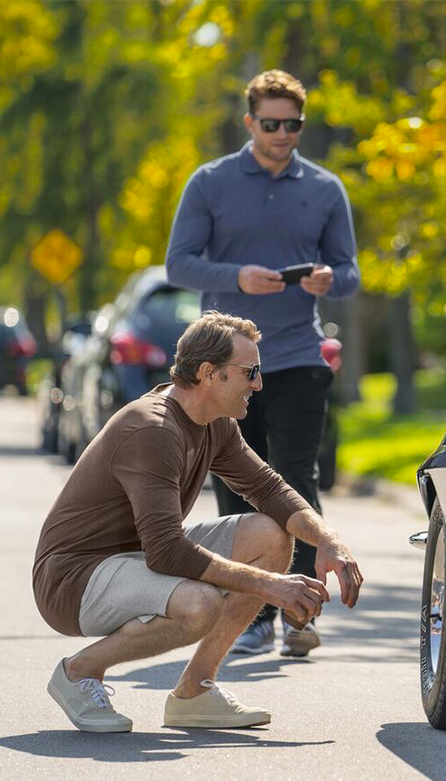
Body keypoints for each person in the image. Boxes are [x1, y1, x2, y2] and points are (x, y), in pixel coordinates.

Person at [33, 311, 363, 733]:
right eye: (249, 372)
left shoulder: (215, 424)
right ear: (209, 374)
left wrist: (329, 542)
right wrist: (271, 587)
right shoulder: (152, 429)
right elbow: (167, 550)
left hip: (134, 558)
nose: (259, 384)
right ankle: (78, 672)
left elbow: (270, 490)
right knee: (199, 604)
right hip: (73, 578)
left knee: (271, 535)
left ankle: (195, 692)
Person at [165, 70, 360, 658]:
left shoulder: (325, 190)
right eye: (270, 123)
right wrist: (237, 278)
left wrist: (331, 278)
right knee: (236, 485)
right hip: (224, 365)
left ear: (302, 124)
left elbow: (350, 276)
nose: (281, 133)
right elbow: (179, 264)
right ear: (250, 123)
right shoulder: (211, 182)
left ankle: (301, 610)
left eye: (292, 124)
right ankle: (252, 615)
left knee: (297, 479)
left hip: (299, 356)